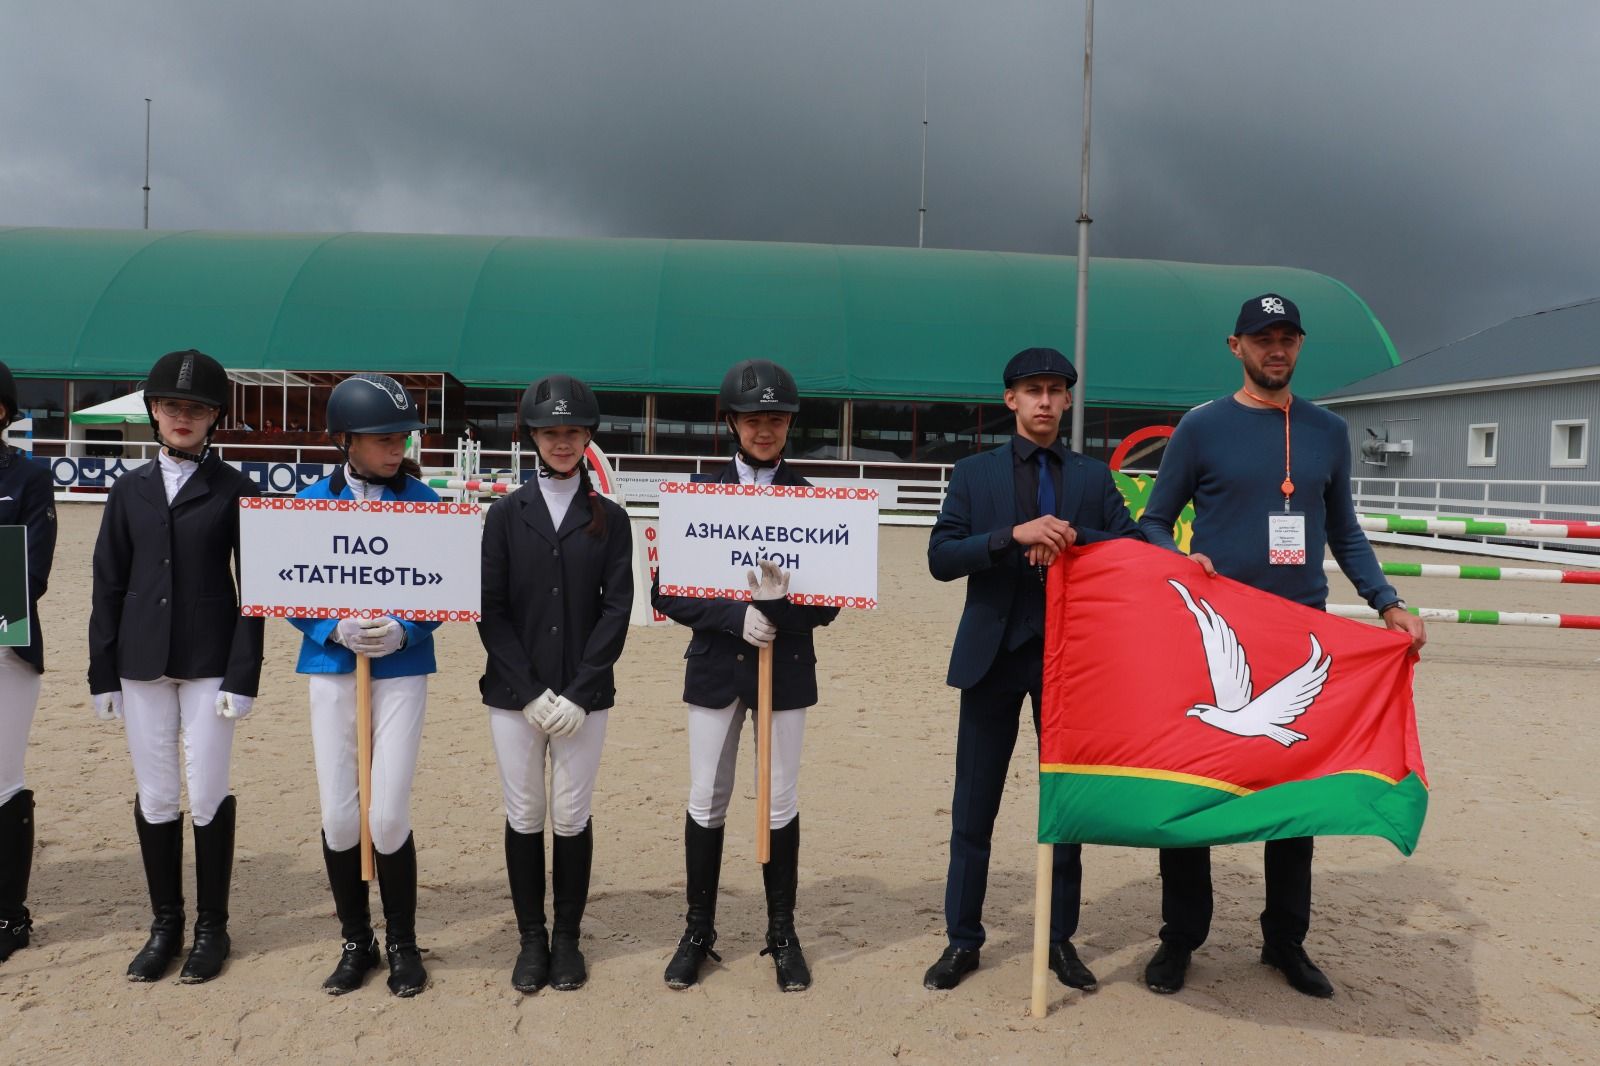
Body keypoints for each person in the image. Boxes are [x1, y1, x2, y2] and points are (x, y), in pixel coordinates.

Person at [1136, 293, 1427, 998]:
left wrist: (1388, 602)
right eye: (1263, 338)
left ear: (1299, 347)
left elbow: (1345, 531)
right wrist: (1183, 564)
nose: (1277, 349)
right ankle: (1181, 938)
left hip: (1300, 635)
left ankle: (1284, 941)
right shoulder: (1200, 428)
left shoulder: (1327, 431)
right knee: (1196, 791)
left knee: (1295, 797)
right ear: (1234, 345)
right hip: (1216, 638)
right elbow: (1153, 522)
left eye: (1288, 337)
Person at [922, 347, 1141, 993]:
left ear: (1068, 401)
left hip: (1069, 665)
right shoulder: (972, 474)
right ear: (1009, 400)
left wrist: (1079, 537)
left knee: (1064, 809)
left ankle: (1059, 940)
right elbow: (940, 556)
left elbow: (1128, 546)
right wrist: (1011, 537)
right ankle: (963, 940)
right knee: (974, 810)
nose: (1044, 400)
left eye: (1055, 390)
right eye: (1031, 390)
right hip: (991, 661)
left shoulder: (1094, 479)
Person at [651, 358, 840, 993]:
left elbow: (831, 601)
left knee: (780, 797)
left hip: (784, 668)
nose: (766, 430)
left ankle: (781, 932)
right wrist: (737, 617)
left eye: (777, 420)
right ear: (732, 422)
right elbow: (666, 591)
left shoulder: (811, 500)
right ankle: (697, 931)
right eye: (754, 419)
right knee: (707, 796)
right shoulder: (698, 495)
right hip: (715, 667)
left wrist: (780, 611)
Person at [88, 349, 264, 984]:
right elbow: (107, 583)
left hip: (210, 660)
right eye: (171, 405)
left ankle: (212, 927)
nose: (182, 416)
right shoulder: (127, 490)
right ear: (153, 412)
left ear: (214, 416)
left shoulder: (235, 490)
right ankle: (165, 924)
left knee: (208, 790)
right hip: (140, 662)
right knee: (158, 794)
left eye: (195, 408)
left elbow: (257, 589)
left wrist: (245, 675)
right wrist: (101, 672)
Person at [477, 374, 633, 993]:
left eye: (571, 432)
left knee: (571, 815)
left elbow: (616, 609)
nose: (561, 442)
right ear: (533, 437)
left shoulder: (610, 519)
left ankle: (566, 936)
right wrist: (529, 691)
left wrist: (579, 690)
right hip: (515, 695)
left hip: (583, 695)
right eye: (550, 432)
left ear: (586, 436)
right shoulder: (505, 515)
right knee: (525, 813)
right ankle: (530, 938)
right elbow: (492, 609)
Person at [289, 373, 440, 998]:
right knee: (338, 814)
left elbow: (445, 585)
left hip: (401, 669)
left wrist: (406, 629)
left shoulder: (426, 501)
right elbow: (288, 580)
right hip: (330, 668)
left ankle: (403, 941)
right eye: (383, 437)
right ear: (346, 438)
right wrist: (329, 625)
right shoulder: (308, 499)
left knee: (388, 813)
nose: (397, 446)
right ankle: (357, 940)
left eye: (402, 435)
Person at [0, 361, 57, 965]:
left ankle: (9, 913)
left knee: (2, 777)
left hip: (4, 646)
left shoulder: (30, 477)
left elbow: (31, 573)